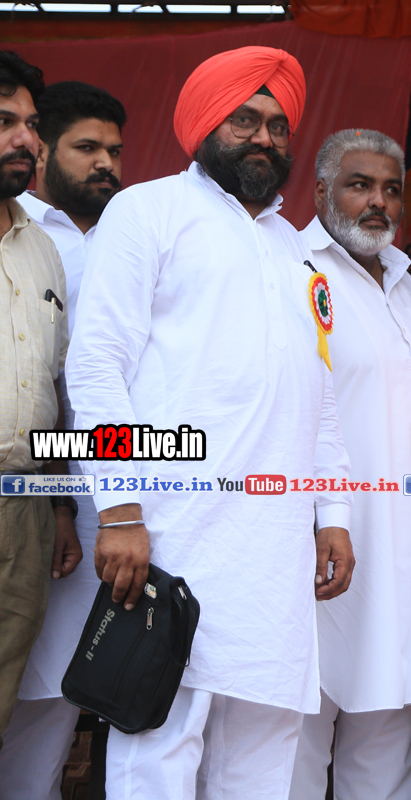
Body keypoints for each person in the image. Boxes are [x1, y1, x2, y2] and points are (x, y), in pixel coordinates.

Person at [66, 47, 354, 799]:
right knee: (157, 749)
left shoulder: (298, 252)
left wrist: (333, 514)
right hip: (172, 537)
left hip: (275, 558)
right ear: (203, 126)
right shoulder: (147, 211)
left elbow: (319, 397)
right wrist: (120, 509)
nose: (264, 138)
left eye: (278, 126)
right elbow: (96, 367)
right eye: (245, 120)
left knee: (261, 763)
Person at [288, 129, 411, 800]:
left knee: (389, 751)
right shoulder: (292, 268)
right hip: (321, 543)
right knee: (291, 749)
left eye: (391, 189)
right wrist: (319, 514)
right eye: (360, 185)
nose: (378, 202)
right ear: (322, 191)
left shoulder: (409, 287)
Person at [1, 80, 125, 799]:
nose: (105, 163)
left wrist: (61, 506)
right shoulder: (31, 231)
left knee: (53, 686)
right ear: (44, 151)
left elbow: (53, 392)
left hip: (74, 505)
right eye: (87, 147)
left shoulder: (124, 235)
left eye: (114, 150)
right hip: (41, 500)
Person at [0, 50, 80, 753]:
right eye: (5, 121)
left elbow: (54, 389)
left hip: (24, 507)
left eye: (30, 124)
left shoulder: (42, 250)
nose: (26, 139)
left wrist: (58, 505)